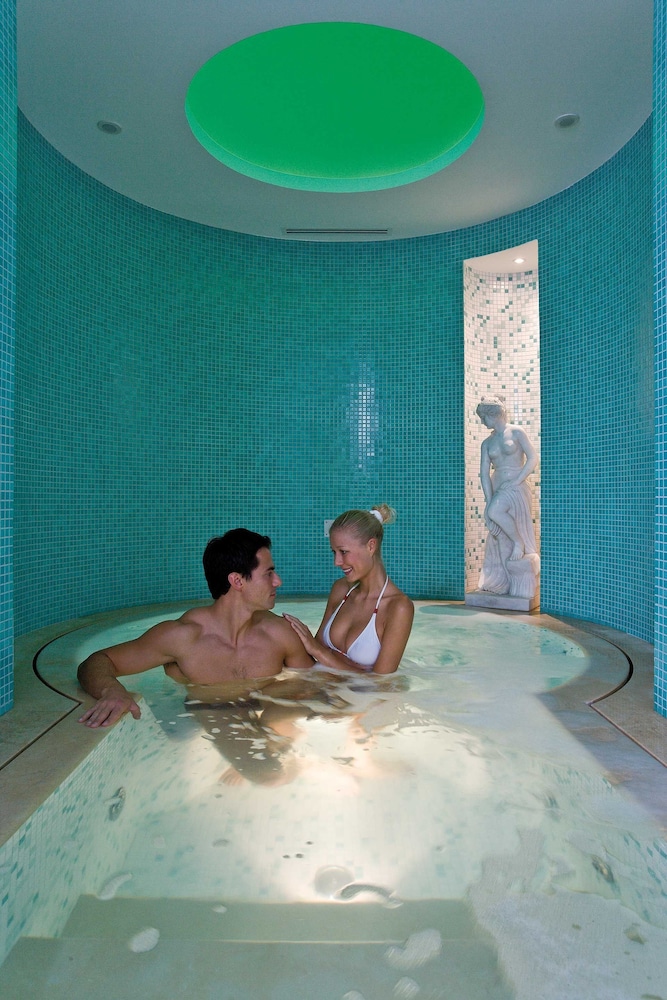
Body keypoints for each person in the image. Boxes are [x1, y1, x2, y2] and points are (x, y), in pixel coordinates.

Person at [77, 528, 313, 728]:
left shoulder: (281, 633)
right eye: (268, 573)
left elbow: (314, 685)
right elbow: (97, 661)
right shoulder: (182, 638)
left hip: (269, 713)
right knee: (265, 766)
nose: (278, 581)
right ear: (237, 581)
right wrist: (112, 691)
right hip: (208, 712)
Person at [284, 504, 414, 674]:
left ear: (371, 546)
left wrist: (321, 652)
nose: (337, 562)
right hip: (324, 686)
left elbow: (382, 683)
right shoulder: (341, 590)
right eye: (334, 552)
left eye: (343, 552)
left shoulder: (398, 607)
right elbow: (314, 652)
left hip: (359, 693)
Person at [476, 395, 540, 595]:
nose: (482, 422)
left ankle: (519, 542)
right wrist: (488, 501)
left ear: (494, 414)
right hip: (498, 486)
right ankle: (504, 581)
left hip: (516, 486)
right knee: (498, 534)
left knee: (495, 512)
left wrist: (518, 479)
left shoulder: (516, 432)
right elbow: (484, 474)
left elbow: (533, 458)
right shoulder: (487, 443)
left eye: (484, 417)